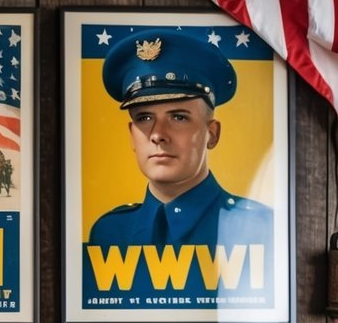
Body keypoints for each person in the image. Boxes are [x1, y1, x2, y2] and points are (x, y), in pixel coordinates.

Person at [89, 30, 273, 253]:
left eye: (178, 117)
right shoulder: (109, 232)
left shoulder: (260, 228)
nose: (157, 134)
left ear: (212, 134)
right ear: (132, 135)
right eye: (144, 118)